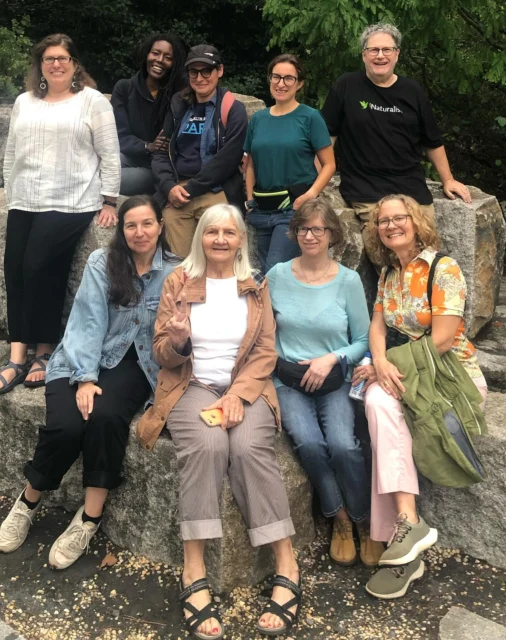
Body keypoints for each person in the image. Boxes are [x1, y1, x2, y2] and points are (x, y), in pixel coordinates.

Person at [137, 204, 301, 638]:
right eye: (213, 232)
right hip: (190, 386)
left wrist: (237, 395)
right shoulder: (179, 281)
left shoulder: (254, 286)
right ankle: (194, 568)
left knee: (248, 448)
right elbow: (161, 352)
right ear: (201, 238)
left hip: (246, 388)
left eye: (230, 232)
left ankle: (286, 561)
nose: (221, 239)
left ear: (241, 239)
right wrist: (177, 341)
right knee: (208, 446)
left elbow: (266, 351)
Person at [0, 195, 177, 569]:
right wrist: (85, 379)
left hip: (135, 365)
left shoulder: (176, 271)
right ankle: (29, 500)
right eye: (131, 225)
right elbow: (88, 322)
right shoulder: (103, 262)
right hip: (81, 357)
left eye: (147, 224)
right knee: (66, 426)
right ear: (121, 230)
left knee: (107, 419)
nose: (139, 232)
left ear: (160, 226)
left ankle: (89, 519)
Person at [352, 194, 488, 599]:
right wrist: (379, 359)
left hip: (449, 375)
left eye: (399, 218)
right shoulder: (388, 272)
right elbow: (378, 324)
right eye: (383, 221)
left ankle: (400, 542)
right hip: (408, 370)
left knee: (379, 404)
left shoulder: (442, 268)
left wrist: (382, 366)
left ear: (416, 221)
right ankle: (408, 526)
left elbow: (444, 338)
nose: (390, 225)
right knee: (377, 402)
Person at [0, 33, 120, 394]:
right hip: (25, 199)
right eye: (49, 59)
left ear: (75, 64)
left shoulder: (92, 101)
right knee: (14, 270)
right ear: (40, 65)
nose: (56, 64)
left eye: (63, 58)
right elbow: (11, 152)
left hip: (72, 199)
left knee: (37, 265)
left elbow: (109, 153)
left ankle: (44, 351)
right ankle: (17, 355)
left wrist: (109, 200)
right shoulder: (24, 102)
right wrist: (10, 192)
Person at [267, 199, 384, 568]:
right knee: (310, 443)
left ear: (332, 234)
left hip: (333, 377)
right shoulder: (276, 276)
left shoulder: (348, 280)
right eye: (303, 228)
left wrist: (333, 357)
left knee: (343, 445)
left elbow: (365, 339)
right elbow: (263, 333)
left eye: (318, 229)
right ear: (294, 233)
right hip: (288, 379)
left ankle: (365, 521)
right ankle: (341, 520)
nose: (310, 235)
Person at [321, 23, 472, 252]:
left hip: (411, 189)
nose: (380, 55)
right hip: (366, 189)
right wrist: (316, 181)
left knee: (427, 255)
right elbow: (326, 138)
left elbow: (432, 141)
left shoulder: (412, 91)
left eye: (387, 50)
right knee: (389, 257)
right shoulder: (346, 86)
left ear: (397, 54)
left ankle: (420, 288)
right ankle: (394, 289)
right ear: (363, 55)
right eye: (373, 50)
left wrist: (448, 179)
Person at [152, 44, 247, 259]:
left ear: (219, 71)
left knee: (218, 257)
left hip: (215, 190)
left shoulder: (233, 109)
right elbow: (160, 152)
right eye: (194, 72)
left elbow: (228, 160)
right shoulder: (178, 105)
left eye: (207, 71)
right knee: (177, 264)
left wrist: (191, 189)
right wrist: (168, 187)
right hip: (178, 190)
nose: (200, 78)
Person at [245, 54, 335, 274]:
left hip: (293, 208)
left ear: (300, 83)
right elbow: (250, 164)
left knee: (274, 271)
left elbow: (329, 165)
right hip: (261, 208)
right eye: (276, 77)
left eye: (288, 78)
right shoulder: (258, 119)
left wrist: (311, 195)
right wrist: (249, 200)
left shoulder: (310, 117)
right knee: (266, 273)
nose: (281, 83)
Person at [112, 33, 188, 196]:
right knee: (99, 165)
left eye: (168, 57)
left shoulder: (179, 94)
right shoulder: (124, 88)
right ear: (147, 54)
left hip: (158, 167)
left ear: (174, 63)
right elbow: (120, 135)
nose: (160, 60)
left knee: (108, 179)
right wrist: (148, 146)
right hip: (131, 155)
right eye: (155, 53)